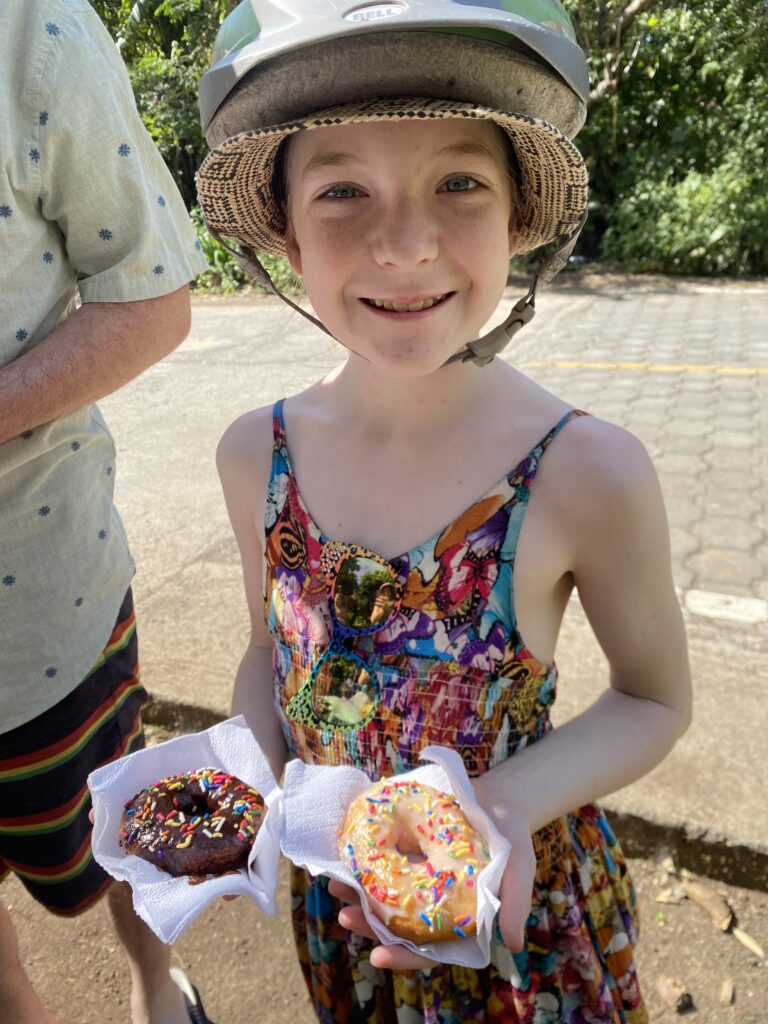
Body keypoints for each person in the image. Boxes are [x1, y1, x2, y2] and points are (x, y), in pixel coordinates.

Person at [197, 1, 692, 1021]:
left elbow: (655, 698)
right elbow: (269, 654)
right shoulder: (257, 455)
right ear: (285, 235)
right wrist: (241, 773)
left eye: (459, 182)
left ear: (519, 218)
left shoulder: (585, 469)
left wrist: (500, 805)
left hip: (531, 914)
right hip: (342, 902)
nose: (406, 242)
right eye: (342, 191)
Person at [0, 2, 209, 1022]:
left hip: (43, 616)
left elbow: (151, 299)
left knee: (121, 832)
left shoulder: (31, 27)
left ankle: (156, 988)